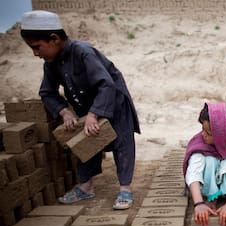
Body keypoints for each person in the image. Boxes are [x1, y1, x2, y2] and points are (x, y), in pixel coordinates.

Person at [20, 10, 140, 210]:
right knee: (85, 141)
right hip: (85, 106)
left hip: (114, 102)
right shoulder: (51, 63)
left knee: (122, 144)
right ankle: (86, 186)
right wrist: (64, 112)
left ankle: (125, 188)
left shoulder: (83, 51)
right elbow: (47, 92)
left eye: (37, 47)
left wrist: (94, 114)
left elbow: (106, 84)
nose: (35, 53)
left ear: (54, 39)